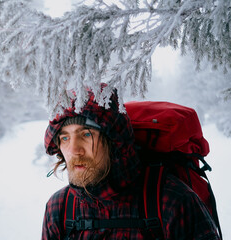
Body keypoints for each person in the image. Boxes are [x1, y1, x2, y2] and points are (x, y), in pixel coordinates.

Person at [41, 88, 220, 239]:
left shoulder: (172, 200)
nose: (73, 150)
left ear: (114, 141)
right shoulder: (60, 208)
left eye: (86, 134)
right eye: (64, 138)